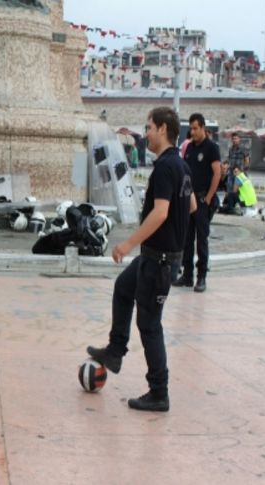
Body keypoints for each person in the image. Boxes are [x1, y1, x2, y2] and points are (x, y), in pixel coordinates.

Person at [87, 107, 196, 412]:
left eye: (149, 127)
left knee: (149, 325)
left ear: (163, 129)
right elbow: (190, 206)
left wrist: (127, 244)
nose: (145, 133)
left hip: (159, 260)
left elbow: (161, 213)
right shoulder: (181, 166)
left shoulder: (165, 168)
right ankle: (115, 351)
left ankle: (159, 392)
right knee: (123, 288)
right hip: (157, 256)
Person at [174, 113, 220, 293]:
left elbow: (217, 173)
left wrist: (208, 198)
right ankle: (187, 275)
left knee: (201, 240)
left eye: (195, 128)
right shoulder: (190, 148)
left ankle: (201, 277)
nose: (192, 132)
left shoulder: (211, 148)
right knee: (187, 238)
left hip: (202, 200)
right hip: (188, 199)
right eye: (190, 129)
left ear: (202, 128)